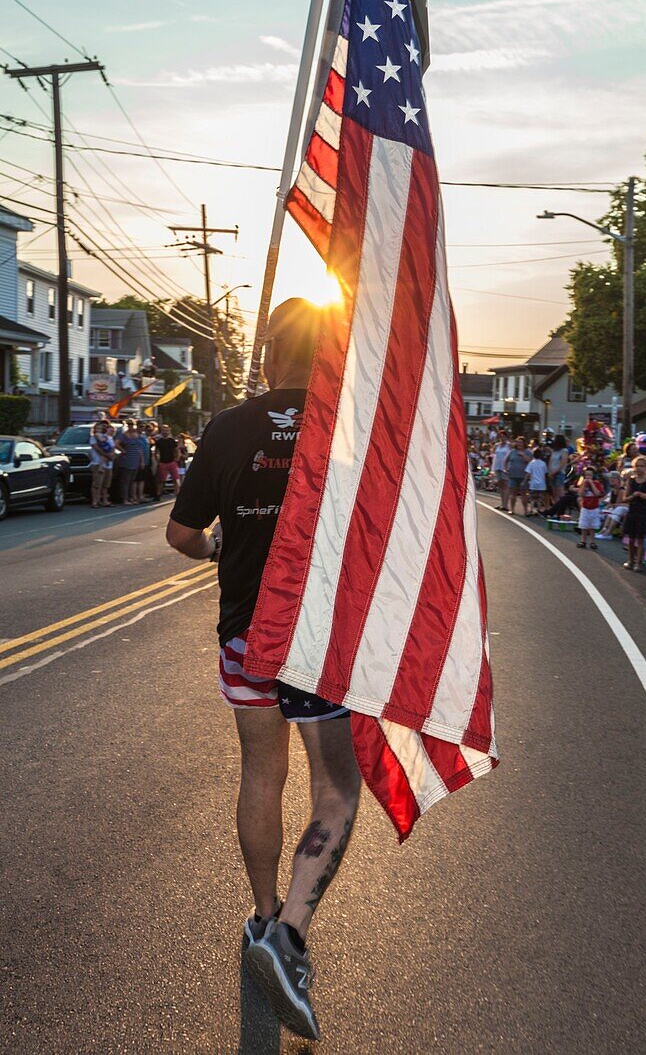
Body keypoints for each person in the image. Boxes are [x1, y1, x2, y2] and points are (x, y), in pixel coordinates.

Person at [165, 299, 361, 1042]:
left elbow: (182, 533)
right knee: (338, 788)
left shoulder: (228, 428)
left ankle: (261, 917)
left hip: (245, 631)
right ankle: (290, 938)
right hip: (313, 637)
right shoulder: (346, 430)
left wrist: (221, 550)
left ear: (269, 351)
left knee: (260, 774)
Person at [621, 455, 646, 570]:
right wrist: (632, 496)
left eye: (642, 466)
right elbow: (625, 498)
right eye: (637, 466)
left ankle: (639, 562)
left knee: (640, 539)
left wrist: (645, 496)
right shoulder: (631, 480)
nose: (639, 468)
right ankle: (630, 560)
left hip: (645, 511)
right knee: (631, 538)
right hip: (633, 510)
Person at [116, 419, 146, 506]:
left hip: (135, 461)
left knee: (132, 481)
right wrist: (123, 450)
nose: (131, 426)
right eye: (129, 424)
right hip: (126, 461)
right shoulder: (123, 435)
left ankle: (132, 498)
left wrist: (142, 461)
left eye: (132, 424)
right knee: (125, 481)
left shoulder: (137, 435)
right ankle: (125, 499)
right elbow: (116, 444)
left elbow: (140, 449)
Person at [576, 464, 604, 549]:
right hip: (585, 507)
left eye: (590, 475)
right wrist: (584, 485)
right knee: (584, 525)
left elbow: (597, 493)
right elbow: (581, 494)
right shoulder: (583, 484)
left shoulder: (597, 483)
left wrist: (592, 484)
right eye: (586, 475)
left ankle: (592, 542)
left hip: (594, 508)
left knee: (592, 526)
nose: (588, 477)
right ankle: (583, 541)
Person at [89, 419, 115, 508]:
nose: (103, 428)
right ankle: (95, 501)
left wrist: (112, 455)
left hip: (109, 464)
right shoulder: (94, 438)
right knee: (97, 484)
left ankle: (104, 500)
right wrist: (107, 455)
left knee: (106, 484)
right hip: (98, 463)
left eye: (105, 426)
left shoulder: (108, 438)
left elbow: (112, 449)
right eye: (100, 427)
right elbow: (97, 448)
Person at [596, 471, 627, 539]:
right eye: (610, 478)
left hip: (624, 508)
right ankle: (603, 530)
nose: (611, 480)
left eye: (614, 478)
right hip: (616, 507)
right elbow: (611, 503)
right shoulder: (613, 490)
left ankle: (609, 532)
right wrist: (608, 506)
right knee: (609, 510)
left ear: (619, 480)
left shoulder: (622, 490)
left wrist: (611, 505)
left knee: (617, 510)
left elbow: (618, 503)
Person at [506, 436, 530, 516]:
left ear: (524, 443)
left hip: (524, 476)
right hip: (513, 475)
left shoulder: (527, 452)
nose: (519, 444)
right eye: (517, 442)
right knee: (513, 493)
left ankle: (526, 510)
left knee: (524, 493)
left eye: (520, 442)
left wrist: (523, 455)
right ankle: (512, 509)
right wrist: (506, 469)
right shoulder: (512, 452)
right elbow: (506, 460)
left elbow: (531, 461)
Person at [155, 424, 181, 497]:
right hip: (162, 462)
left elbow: (176, 450)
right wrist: (158, 461)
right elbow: (156, 452)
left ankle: (177, 493)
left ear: (169, 431)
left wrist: (177, 458)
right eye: (164, 430)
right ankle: (158, 494)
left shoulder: (172, 441)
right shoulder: (159, 441)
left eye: (166, 430)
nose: (165, 432)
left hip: (172, 462)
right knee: (161, 480)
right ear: (161, 431)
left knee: (176, 479)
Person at [491, 431, 511, 511]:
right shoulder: (497, 445)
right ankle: (502, 503)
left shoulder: (509, 445)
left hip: (505, 467)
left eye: (504, 437)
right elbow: (493, 454)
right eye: (501, 437)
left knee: (505, 484)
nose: (502, 438)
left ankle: (506, 504)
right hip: (497, 466)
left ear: (506, 437)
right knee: (500, 485)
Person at [525, 448, 548, 515]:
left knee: (532, 498)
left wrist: (524, 481)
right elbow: (545, 473)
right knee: (539, 498)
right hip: (542, 484)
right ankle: (538, 510)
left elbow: (528, 473)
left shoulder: (531, 463)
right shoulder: (543, 464)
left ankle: (531, 509)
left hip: (533, 484)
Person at [547, 434, 569, 504]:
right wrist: (549, 471)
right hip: (552, 473)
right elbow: (551, 461)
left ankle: (562, 510)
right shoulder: (554, 451)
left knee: (560, 491)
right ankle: (556, 508)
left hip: (559, 473)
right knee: (554, 492)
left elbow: (562, 463)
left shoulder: (564, 451)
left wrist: (554, 472)